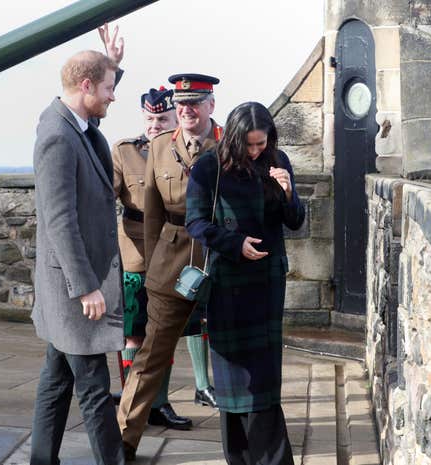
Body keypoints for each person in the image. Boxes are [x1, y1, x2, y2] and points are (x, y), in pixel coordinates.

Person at [185, 101, 305, 465]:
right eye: (249, 145)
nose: (256, 151)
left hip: (266, 284)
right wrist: (234, 243)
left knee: (265, 378)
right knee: (235, 378)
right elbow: (196, 223)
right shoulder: (209, 167)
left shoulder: (277, 160)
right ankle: (240, 458)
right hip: (228, 285)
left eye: (261, 144)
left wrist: (288, 193)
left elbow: (295, 221)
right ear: (235, 138)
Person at [30, 25, 126, 465]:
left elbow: (97, 93)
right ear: (86, 86)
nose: (113, 96)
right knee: (93, 389)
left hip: (66, 290)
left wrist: (113, 63)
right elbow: (59, 220)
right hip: (72, 290)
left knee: (56, 381)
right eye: (108, 88)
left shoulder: (78, 123)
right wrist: (86, 286)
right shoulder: (57, 135)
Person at [117, 73, 222, 460]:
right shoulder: (161, 147)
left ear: (211, 105)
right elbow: (152, 214)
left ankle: (243, 441)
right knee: (150, 356)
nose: (186, 109)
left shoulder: (229, 144)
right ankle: (123, 441)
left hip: (220, 260)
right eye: (181, 104)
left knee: (229, 355)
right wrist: (153, 263)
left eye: (194, 102)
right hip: (171, 261)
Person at [111, 86, 194, 430]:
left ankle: (159, 403)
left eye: (162, 118)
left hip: (172, 252)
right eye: (149, 119)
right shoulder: (125, 152)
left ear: (175, 117)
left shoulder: (185, 150)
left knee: (165, 333)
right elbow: (106, 198)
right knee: (134, 334)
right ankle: (133, 402)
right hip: (136, 256)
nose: (154, 125)